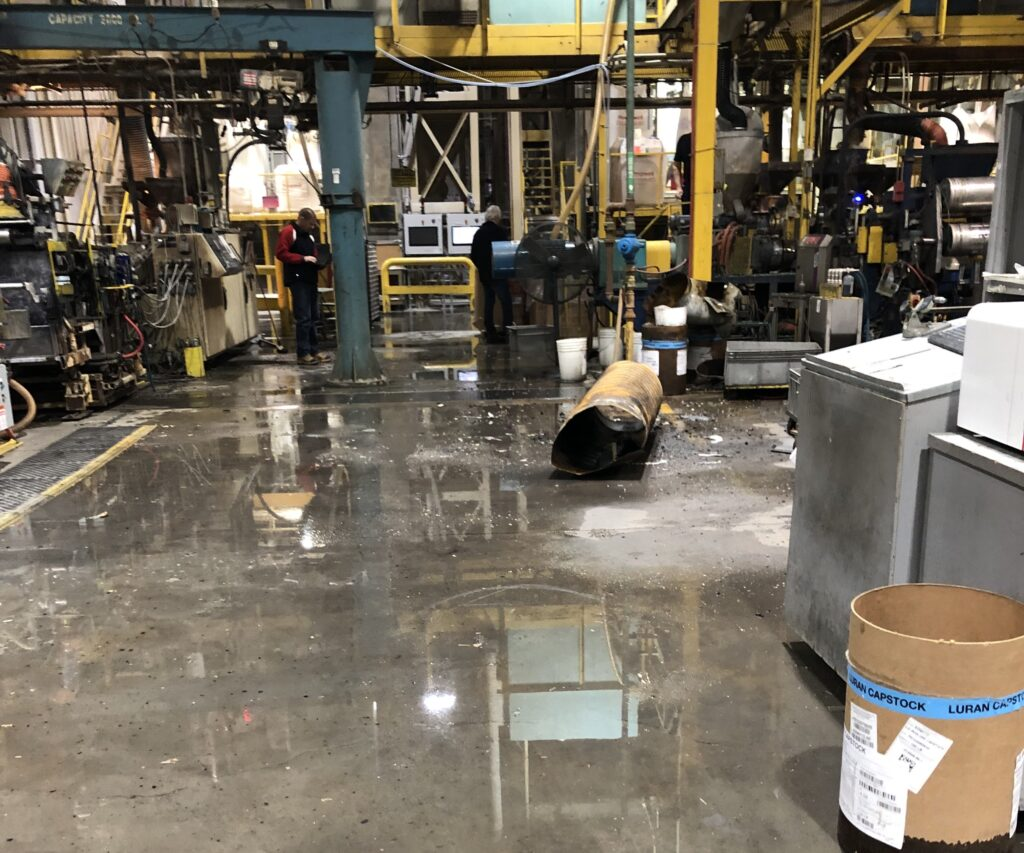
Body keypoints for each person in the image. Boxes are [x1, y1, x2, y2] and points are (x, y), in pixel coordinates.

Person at [275, 208, 329, 366]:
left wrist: (318, 261)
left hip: (310, 279)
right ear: (302, 219)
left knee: (313, 316)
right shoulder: (288, 232)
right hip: (298, 280)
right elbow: (281, 253)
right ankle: (303, 353)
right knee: (303, 317)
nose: (312, 227)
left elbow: (314, 253)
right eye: (310, 223)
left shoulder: (309, 236)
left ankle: (313, 350)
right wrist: (302, 259)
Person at [470, 205, 512, 343]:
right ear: (498, 217)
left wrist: (482, 268)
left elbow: (473, 255)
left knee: (489, 301)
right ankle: (507, 328)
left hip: (485, 274)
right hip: (499, 272)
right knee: (505, 301)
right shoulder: (501, 232)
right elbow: (506, 252)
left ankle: (490, 329)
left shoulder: (479, 233)